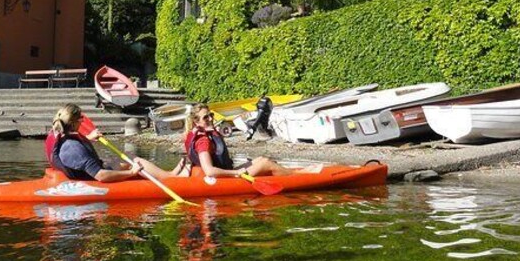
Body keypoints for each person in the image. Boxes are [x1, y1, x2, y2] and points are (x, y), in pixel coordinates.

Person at [46, 103, 185, 182]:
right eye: (81, 118)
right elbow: (101, 175)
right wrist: (131, 172)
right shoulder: (73, 148)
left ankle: (166, 174)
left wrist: (88, 138)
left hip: (79, 172)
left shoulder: (59, 135)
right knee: (135, 161)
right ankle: (170, 178)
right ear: (73, 122)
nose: (83, 121)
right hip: (92, 177)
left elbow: (71, 152)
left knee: (127, 157)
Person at [184, 103, 320, 178]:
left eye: (211, 115)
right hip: (225, 178)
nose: (210, 119)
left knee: (262, 159)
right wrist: (236, 173)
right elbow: (210, 171)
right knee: (266, 164)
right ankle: (300, 175)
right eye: (205, 118)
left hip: (226, 173)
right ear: (196, 121)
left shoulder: (200, 134)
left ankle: (295, 172)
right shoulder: (203, 141)